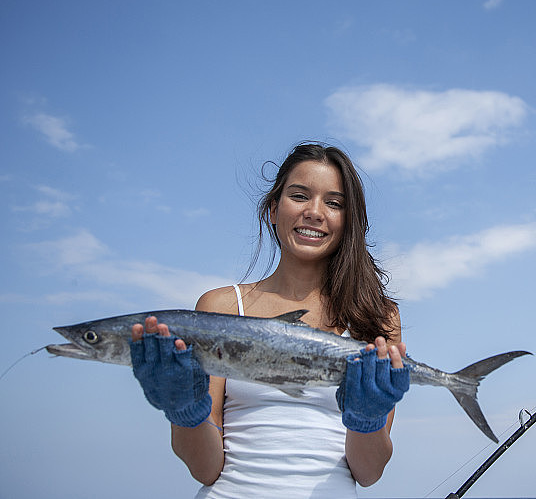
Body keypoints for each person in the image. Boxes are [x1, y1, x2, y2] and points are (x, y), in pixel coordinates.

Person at [129, 142, 408, 498]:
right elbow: (205, 469)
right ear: (274, 209)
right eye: (299, 196)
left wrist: (367, 421)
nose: (314, 212)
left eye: (334, 203)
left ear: (348, 221)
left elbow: (368, 472)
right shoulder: (221, 306)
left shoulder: (377, 317)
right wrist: (184, 411)